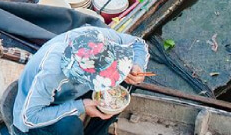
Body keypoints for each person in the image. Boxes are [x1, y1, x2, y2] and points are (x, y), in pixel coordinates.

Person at [13, 26, 149, 135]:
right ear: (80, 74)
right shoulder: (52, 73)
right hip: (39, 111)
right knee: (70, 127)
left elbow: (138, 43)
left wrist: (138, 65)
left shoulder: (96, 37)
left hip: (72, 92)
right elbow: (29, 117)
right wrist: (80, 106)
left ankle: (96, 132)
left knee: (126, 83)